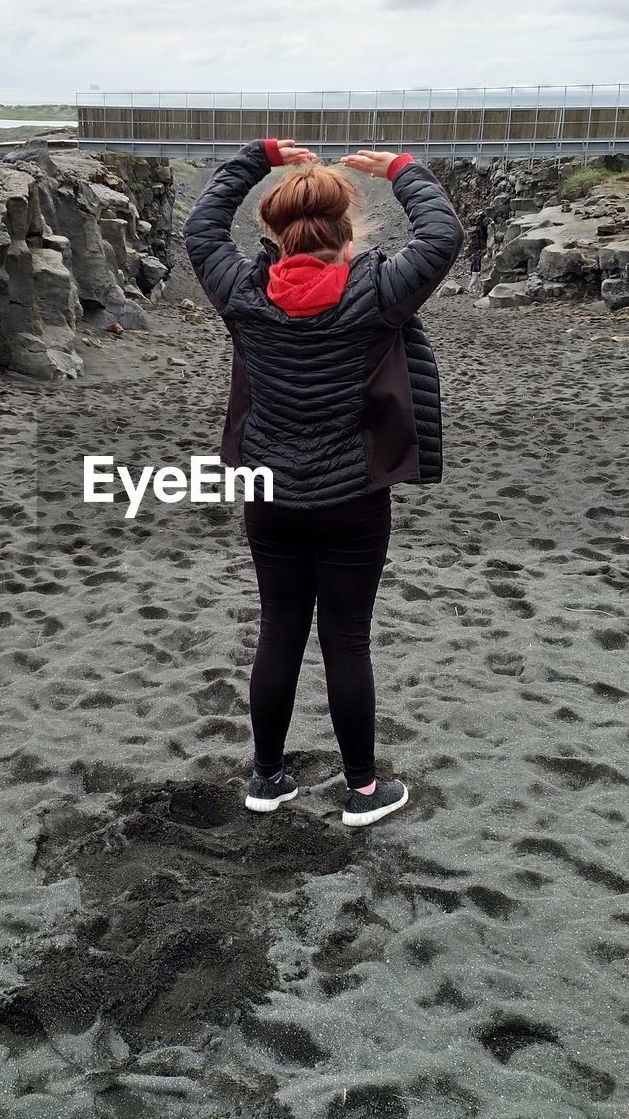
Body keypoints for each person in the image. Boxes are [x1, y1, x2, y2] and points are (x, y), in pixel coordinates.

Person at [184, 139, 462, 827]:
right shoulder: (379, 292)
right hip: (355, 495)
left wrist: (258, 158)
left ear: (271, 234)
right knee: (347, 638)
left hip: (271, 496)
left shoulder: (242, 293)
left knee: (279, 628)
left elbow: (201, 228)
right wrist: (402, 167)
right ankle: (363, 791)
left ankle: (267, 778)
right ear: (348, 231)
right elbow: (442, 233)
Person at [466, 214, 488, 292]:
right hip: (475, 270)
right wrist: (478, 270)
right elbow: (477, 264)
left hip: (473, 270)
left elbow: (472, 264)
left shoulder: (474, 257)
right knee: (474, 279)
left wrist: (470, 271)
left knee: (475, 279)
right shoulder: (477, 257)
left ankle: (474, 288)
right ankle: (470, 287)